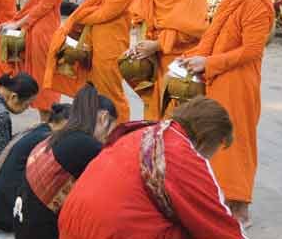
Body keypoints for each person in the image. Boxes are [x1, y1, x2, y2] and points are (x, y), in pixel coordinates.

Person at [182, 0, 275, 227]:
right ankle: (220, 198)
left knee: (237, 142)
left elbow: (251, 51)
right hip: (218, 78)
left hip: (239, 82)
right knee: (213, 138)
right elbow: (212, 36)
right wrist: (191, 57)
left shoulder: (256, 0)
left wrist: (209, 63)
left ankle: (240, 207)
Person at [58, 96, 247, 239]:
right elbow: (221, 226)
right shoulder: (180, 152)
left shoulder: (145, 130)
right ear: (207, 139)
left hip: (71, 223)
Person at [44, 0, 139, 124]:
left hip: (111, 43)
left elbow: (107, 13)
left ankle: (119, 131)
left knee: (111, 93)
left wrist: (80, 15)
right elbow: (97, 9)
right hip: (96, 41)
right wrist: (85, 12)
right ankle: (100, 129)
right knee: (93, 91)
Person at [12, 83, 118, 239]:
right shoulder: (87, 145)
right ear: (103, 118)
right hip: (40, 231)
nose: (107, 138)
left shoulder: (64, 133)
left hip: (22, 226)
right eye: (110, 131)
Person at [128, 0, 208, 120]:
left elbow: (192, 29)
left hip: (181, 61)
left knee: (176, 116)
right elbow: (138, 18)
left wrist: (156, 45)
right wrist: (138, 44)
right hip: (154, 60)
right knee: (153, 113)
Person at [5, 0, 66, 122]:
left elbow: (43, 7)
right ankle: (43, 120)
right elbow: (31, 3)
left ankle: (49, 121)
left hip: (45, 32)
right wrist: (15, 20)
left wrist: (19, 24)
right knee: (34, 76)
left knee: (46, 77)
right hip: (33, 29)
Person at [0, 103, 72, 232]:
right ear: (65, 122)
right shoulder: (47, 139)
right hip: (10, 209)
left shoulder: (39, 129)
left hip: (0, 201)